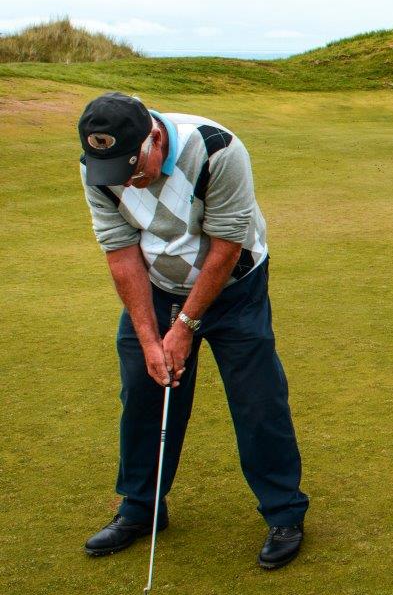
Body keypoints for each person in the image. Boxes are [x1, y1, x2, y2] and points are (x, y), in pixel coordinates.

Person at [77, 91, 309, 569]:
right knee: (145, 391)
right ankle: (141, 508)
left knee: (257, 397)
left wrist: (184, 326)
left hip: (234, 285)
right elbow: (120, 253)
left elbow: (225, 245)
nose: (126, 181)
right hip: (158, 285)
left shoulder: (218, 150)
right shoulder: (98, 167)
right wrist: (149, 338)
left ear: (154, 139)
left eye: (132, 167)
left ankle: (284, 512)